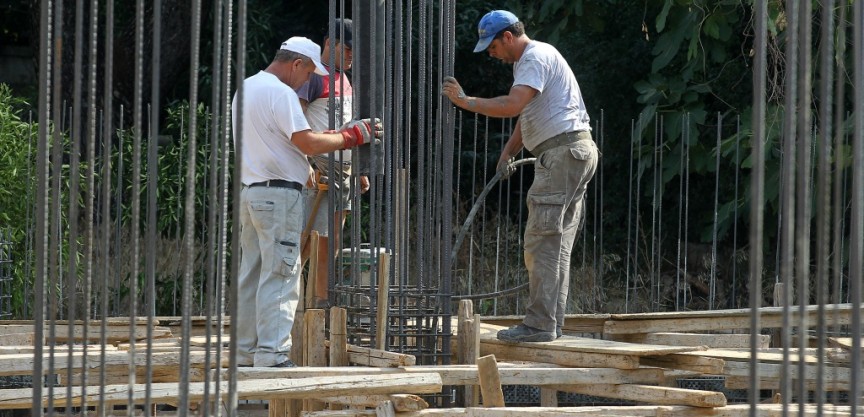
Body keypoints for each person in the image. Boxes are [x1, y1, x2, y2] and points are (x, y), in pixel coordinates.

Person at [442, 10, 598, 342]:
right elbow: (526, 112)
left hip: (561, 155)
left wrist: (465, 101)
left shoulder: (534, 57)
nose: (491, 54)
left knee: (541, 240)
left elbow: (513, 105)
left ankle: (540, 324)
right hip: (573, 151)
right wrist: (509, 151)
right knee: (556, 244)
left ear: (508, 37)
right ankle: (550, 324)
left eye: (493, 46)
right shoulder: (531, 61)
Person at [232, 36, 382, 367]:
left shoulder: (246, 87)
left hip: (252, 193)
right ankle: (272, 355)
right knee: (282, 275)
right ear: (296, 63)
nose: (308, 81)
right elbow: (307, 143)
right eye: (309, 72)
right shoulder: (282, 93)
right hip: (280, 196)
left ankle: (244, 353)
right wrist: (353, 135)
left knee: (252, 275)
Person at [297, 18, 369, 309]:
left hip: (344, 172)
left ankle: (320, 304)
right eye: (348, 49)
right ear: (330, 44)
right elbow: (296, 120)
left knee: (331, 242)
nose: (352, 56)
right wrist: (305, 163)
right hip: (320, 169)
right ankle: (283, 304)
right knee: (305, 241)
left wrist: (359, 170)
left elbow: (347, 126)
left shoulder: (344, 78)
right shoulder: (313, 76)